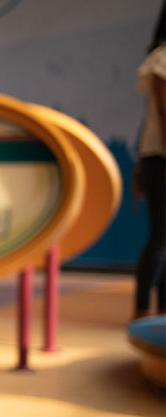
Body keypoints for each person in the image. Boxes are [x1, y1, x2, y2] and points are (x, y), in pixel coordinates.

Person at [133, 2, 166, 319]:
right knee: (160, 239)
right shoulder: (163, 58)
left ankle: (162, 309)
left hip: (155, 158)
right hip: (162, 159)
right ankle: (141, 308)